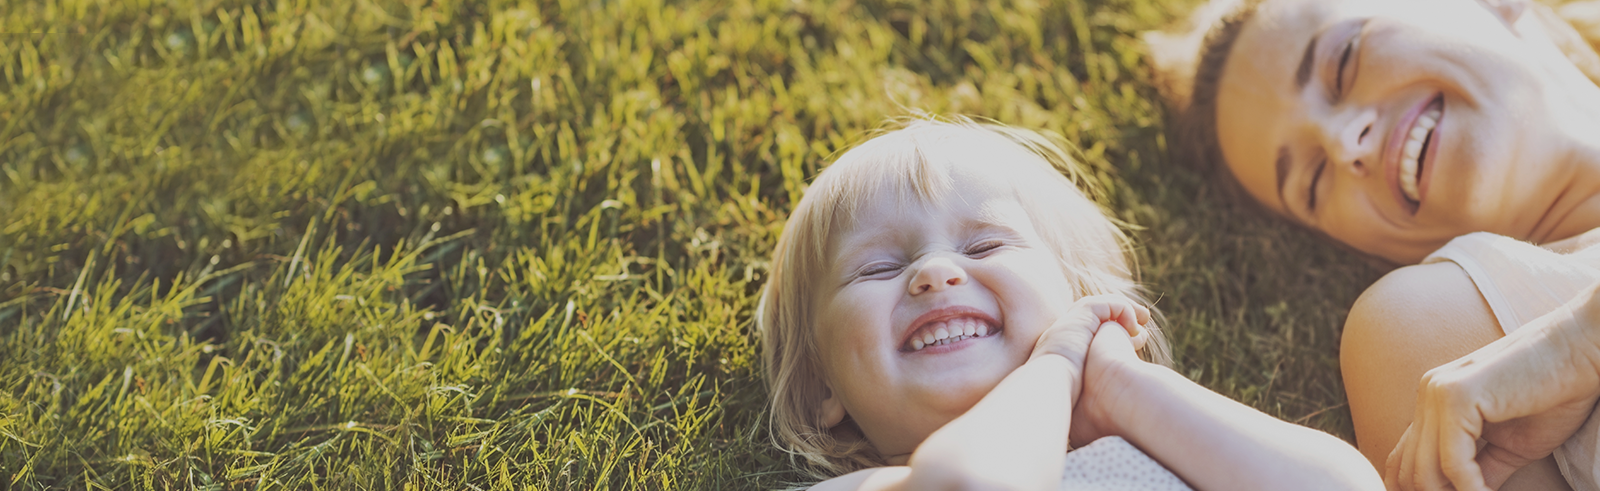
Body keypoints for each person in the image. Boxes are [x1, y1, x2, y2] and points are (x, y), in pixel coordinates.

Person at [757, 118, 1380, 489]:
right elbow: (968, 484)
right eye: (879, 268)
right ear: (821, 386)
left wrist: (1120, 388)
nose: (936, 272)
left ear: (1079, 302)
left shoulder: (1168, 441)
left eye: (986, 243)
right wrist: (1052, 370)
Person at [1150, 0, 1600, 488]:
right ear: (1365, 249)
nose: (1345, 142)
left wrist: (1583, 340)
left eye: (1343, 62)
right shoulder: (1430, 334)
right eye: (1315, 179)